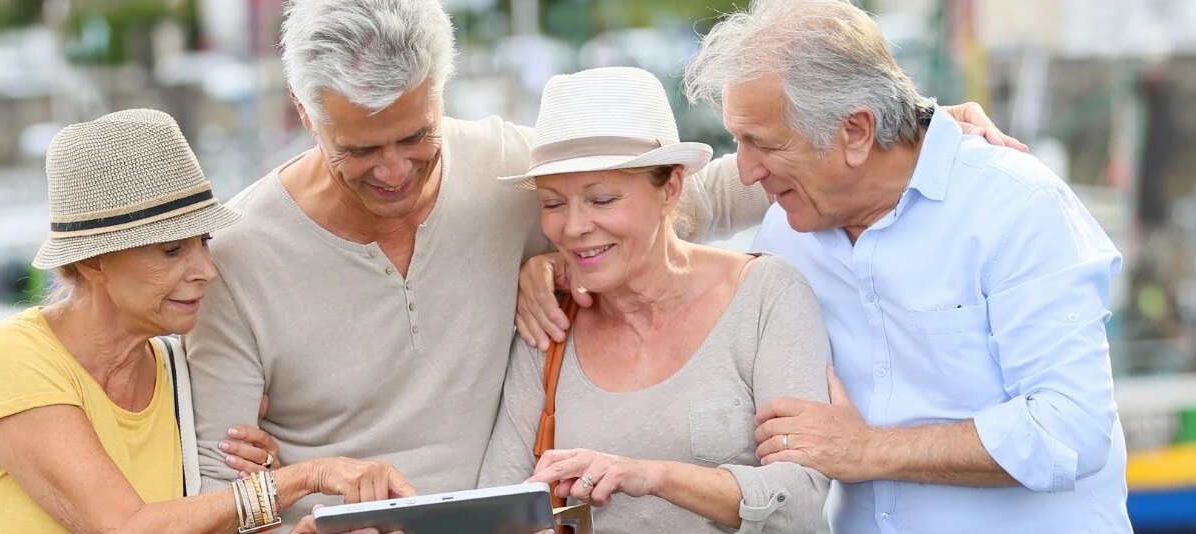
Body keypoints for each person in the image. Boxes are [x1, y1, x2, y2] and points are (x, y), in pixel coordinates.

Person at [184, 0, 1020, 523]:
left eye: (417, 139)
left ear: (442, 97)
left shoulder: (512, 172)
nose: (396, 172)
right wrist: (290, 517)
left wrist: (895, 134)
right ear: (304, 111)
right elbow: (222, 484)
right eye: (360, 150)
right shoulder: (241, 255)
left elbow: (683, 194)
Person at [686, 1, 1128, 531]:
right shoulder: (786, 221)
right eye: (739, 140)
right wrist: (555, 266)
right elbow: (641, 218)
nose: (746, 169)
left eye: (762, 143)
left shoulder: (1016, 206)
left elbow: (1071, 430)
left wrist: (868, 449)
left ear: (855, 132)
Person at [0, 109, 414, 534]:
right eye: (172, 250)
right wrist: (301, 478)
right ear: (94, 263)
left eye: (203, 242)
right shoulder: (10, 357)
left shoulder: (180, 372)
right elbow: (125, 527)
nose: (206, 270)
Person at [476, 67, 832, 534]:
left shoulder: (766, 294)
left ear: (671, 189)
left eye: (602, 199)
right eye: (553, 203)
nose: (573, 227)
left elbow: (802, 500)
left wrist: (651, 475)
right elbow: (495, 509)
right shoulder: (549, 321)